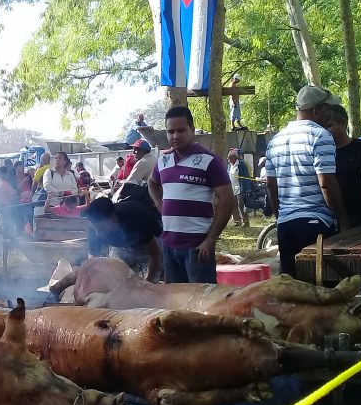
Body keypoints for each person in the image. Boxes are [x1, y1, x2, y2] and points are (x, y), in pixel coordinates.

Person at [264, 85, 350, 278]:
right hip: (316, 223)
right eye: (327, 109)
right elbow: (327, 182)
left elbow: (271, 185)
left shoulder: (275, 140)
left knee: (291, 287)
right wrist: (343, 221)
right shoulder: (321, 136)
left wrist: (281, 217)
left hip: (286, 225)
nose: (330, 114)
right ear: (316, 110)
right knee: (320, 289)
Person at [148, 106, 233, 284]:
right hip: (169, 245)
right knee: (174, 301)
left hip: (197, 247)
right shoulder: (163, 160)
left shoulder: (209, 160)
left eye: (181, 130)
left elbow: (227, 200)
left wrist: (210, 240)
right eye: (170, 131)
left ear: (192, 130)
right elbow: (152, 183)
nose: (175, 136)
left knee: (202, 304)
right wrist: (159, 204)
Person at [324, 104, 361, 228]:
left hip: (359, 221)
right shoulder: (320, 152)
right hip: (327, 221)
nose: (324, 131)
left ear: (343, 123)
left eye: (329, 125)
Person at [83, 196, 162, 281]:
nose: (98, 234)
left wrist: (148, 281)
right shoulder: (94, 228)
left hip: (146, 246)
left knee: (150, 286)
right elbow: (93, 258)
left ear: (113, 219)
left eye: (102, 228)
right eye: (96, 229)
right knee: (115, 280)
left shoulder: (137, 219)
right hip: (121, 248)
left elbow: (154, 254)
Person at [226, 149, 250, 228]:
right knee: (233, 205)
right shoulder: (229, 166)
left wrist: (247, 189)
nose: (228, 159)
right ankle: (237, 221)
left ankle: (245, 222)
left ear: (234, 158)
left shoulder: (241, 164)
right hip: (231, 189)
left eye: (229, 158)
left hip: (240, 188)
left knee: (241, 205)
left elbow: (246, 176)